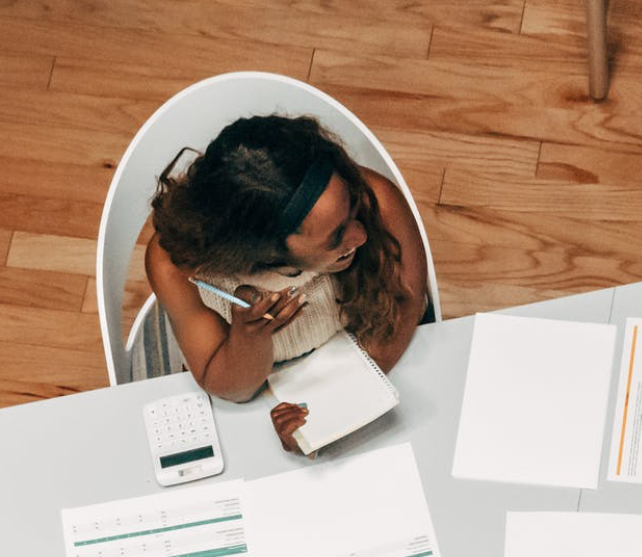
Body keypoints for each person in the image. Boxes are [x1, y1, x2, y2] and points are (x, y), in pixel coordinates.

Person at [145, 115, 429, 454]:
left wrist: (330, 414)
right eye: (336, 237)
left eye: (352, 210)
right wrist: (250, 337)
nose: (361, 236)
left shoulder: (376, 198)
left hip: (366, 355)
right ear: (265, 256)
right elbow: (234, 390)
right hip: (259, 388)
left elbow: (402, 309)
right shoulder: (174, 268)